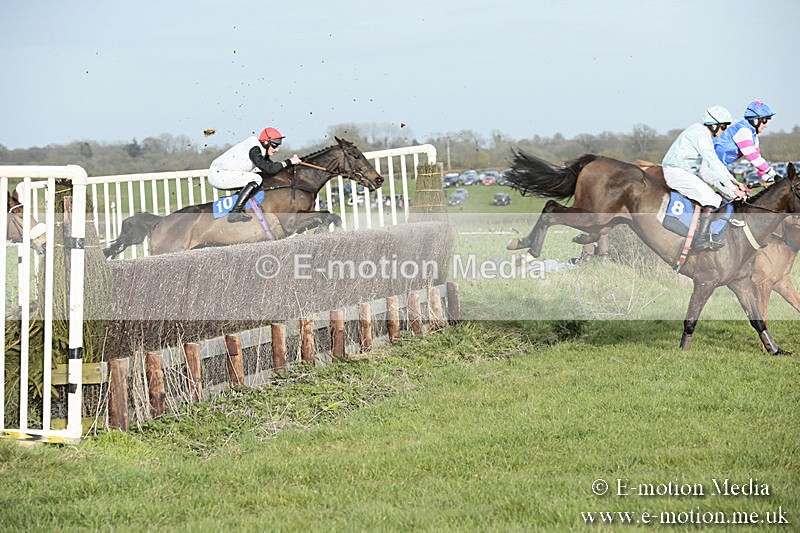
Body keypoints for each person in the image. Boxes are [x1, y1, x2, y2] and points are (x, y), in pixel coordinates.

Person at [662, 105, 746, 250]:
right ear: (713, 125)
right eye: (723, 127)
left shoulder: (701, 132)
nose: (724, 130)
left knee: (710, 197)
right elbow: (713, 162)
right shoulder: (701, 134)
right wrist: (733, 189)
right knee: (712, 200)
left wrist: (734, 181)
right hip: (676, 172)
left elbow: (716, 164)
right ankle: (700, 240)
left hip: (682, 172)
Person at [208, 127, 302, 223]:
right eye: (274, 146)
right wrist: (289, 161)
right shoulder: (254, 149)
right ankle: (235, 212)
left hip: (221, 173)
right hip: (218, 175)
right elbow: (270, 169)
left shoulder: (259, 149)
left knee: (257, 178)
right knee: (256, 179)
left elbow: (273, 169)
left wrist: (291, 165)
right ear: (266, 143)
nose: (277, 149)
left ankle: (241, 207)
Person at [714, 101, 778, 185]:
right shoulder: (744, 131)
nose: (766, 125)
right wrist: (774, 174)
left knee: (739, 192)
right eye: (765, 121)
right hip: (708, 165)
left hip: (718, 167)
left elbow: (756, 162)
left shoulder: (753, 136)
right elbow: (753, 157)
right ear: (755, 120)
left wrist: (768, 178)